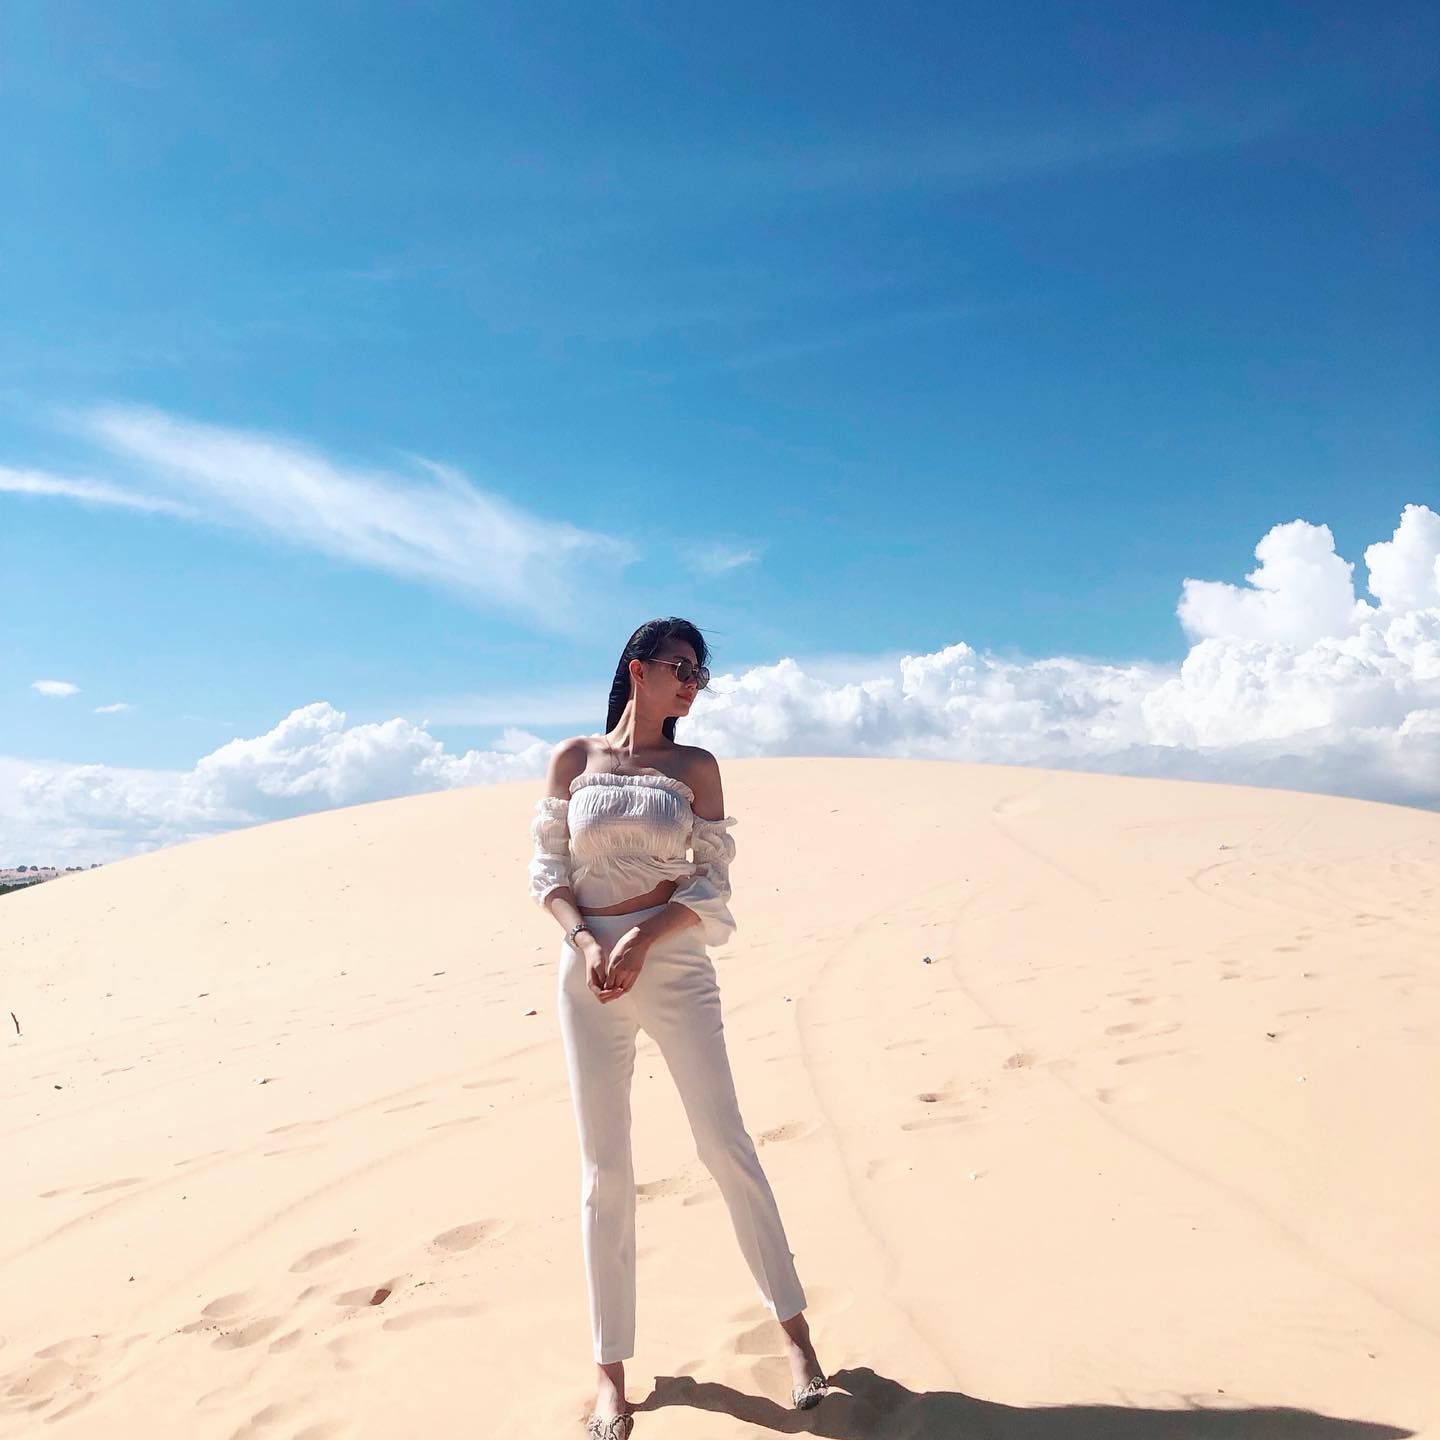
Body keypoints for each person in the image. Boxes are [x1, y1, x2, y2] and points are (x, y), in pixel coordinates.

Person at [529, 617, 827, 1439]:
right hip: (588, 973)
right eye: (681, 667)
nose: (694, 684)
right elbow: (548, 873)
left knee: (724, 1144)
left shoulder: (696, 768)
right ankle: (609, 1373)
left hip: (674, 963)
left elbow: (711, 883)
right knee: (604, 1171)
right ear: (639, 668)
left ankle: (796, 1335)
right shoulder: (574, 759)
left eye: (701, 673)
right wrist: (588, 942)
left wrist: (643, 937)